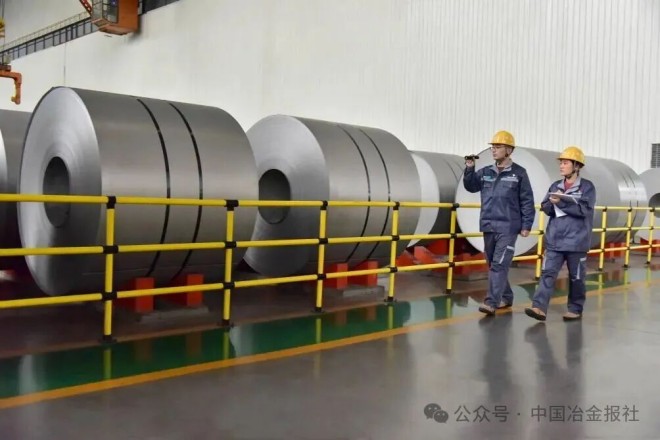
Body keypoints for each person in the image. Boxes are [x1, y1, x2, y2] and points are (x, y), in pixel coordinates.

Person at [463, 130, 535, 315]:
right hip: (488, 225)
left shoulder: (519, 173)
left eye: (498, 147)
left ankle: (491, 302)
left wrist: (527, 225)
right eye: (492, 147)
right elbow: (471, 187)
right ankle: (506, 296)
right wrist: (469, 168)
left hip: (508, 227)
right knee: (493, 264)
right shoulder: (486, 172)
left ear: (509, 150)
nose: (493, 150)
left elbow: (527, 200)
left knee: (499, 264)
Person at [525, 146, 596, 321]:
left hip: (577, 242)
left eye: (565, 163)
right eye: (561, 163)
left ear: (576, 166)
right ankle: (539, 308)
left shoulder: (587, 187)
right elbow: (545, 207)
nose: (561, 166)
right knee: (547, 274)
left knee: (576, 278)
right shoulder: (555, 186)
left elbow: (584, 211)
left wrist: (561, 203)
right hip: (555, 240)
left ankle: (575, 309)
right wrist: (551, 203)